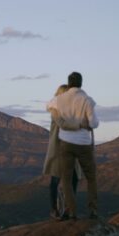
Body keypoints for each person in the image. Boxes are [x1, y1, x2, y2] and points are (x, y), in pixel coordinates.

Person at [47, 72, 99, 220]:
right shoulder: (85, 101)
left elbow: (50, 105)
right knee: (65, 179)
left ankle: (70, 211)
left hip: (65, 144)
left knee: (69, 178)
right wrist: (82, 124)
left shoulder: (59, 103)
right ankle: (63, 210)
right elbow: (93, 123)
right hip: (66, 145)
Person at [43, 84, 83, 219]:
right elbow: (63, 124)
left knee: (73, 179)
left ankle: (68, 209)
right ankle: (54, 210)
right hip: (59, 149)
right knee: (56, 179)